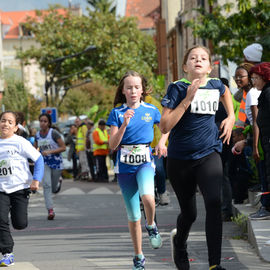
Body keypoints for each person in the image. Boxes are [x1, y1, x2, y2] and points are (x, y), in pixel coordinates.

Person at [160, 45, 235, 270]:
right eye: (193, 58)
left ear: (210, 67)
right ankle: (179, 242)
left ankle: (214, 264)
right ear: (185, 67)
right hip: (179, 159)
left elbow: (225, 92)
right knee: (189, 213)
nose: (198, 60)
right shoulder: (177, 88)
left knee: (213, 202)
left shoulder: (215, 84)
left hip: (208, 153)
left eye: (203, 58)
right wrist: (187, 100)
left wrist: (231, 116)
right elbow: (164, 125)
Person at [106, 70, 169, 270]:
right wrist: (124, 123)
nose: (133, 91)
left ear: (142, 90)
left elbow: (166, 128)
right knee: (133, 216)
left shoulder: (151, 110)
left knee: (148, 198)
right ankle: (139, 256)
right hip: (124, 167)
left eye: (137, 87)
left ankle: (151, 225)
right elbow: (112, 145)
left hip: (144, 162)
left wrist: (161, 143)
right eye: (129, 87)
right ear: (123, 91)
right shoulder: (116, 113)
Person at [0, 111, 44, 266]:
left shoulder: (20, 142)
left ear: (16, 127)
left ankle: (14, 220)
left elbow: (39, 160)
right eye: (3, 120)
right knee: (0, 219)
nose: (5, 124)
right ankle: (7, 253)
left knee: (20, 223)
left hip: (20, 187)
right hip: (1, 189)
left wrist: (36, 180)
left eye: (10, 122)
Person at [234, 62, 270, 219]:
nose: (254, 82)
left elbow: (256, 122)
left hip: (266, 142)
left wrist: (253, 145)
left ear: (264, 77)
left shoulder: (267, 94)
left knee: (266, 175)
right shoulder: (262, 93)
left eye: (255, 78)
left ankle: (267, 206)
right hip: (264, 142)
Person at [35, 113, 66, 220]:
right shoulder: (37, 135)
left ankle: (58, 184)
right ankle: (50, 209)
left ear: (48, 123)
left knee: (53, 188)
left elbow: (63, 147)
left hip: (56, 162)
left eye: (45, 121)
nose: (42, 123)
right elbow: (35, 150)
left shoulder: (54, 133)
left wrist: (50, 151)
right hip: (44, 163)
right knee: (47, 185)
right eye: (41, 121)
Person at [145, 95, 170, 205]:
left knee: (159, 170)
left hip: (155, 145)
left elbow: (160, 127)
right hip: (139, 147)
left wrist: (161, 143)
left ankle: (162, 192)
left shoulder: (154, 105)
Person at [75, 117, 90, 181]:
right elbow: (78, 140)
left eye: (77, 121)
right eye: (76, 122)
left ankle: (86, 175)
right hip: (80, 149)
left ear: (80, 121)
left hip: (83, 148)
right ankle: (84, 174)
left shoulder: (83, 127)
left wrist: (84, 146)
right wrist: (77, 149)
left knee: (84, 162)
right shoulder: (79, 128)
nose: (76, 123)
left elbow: (85, 137)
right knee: (82, 162)